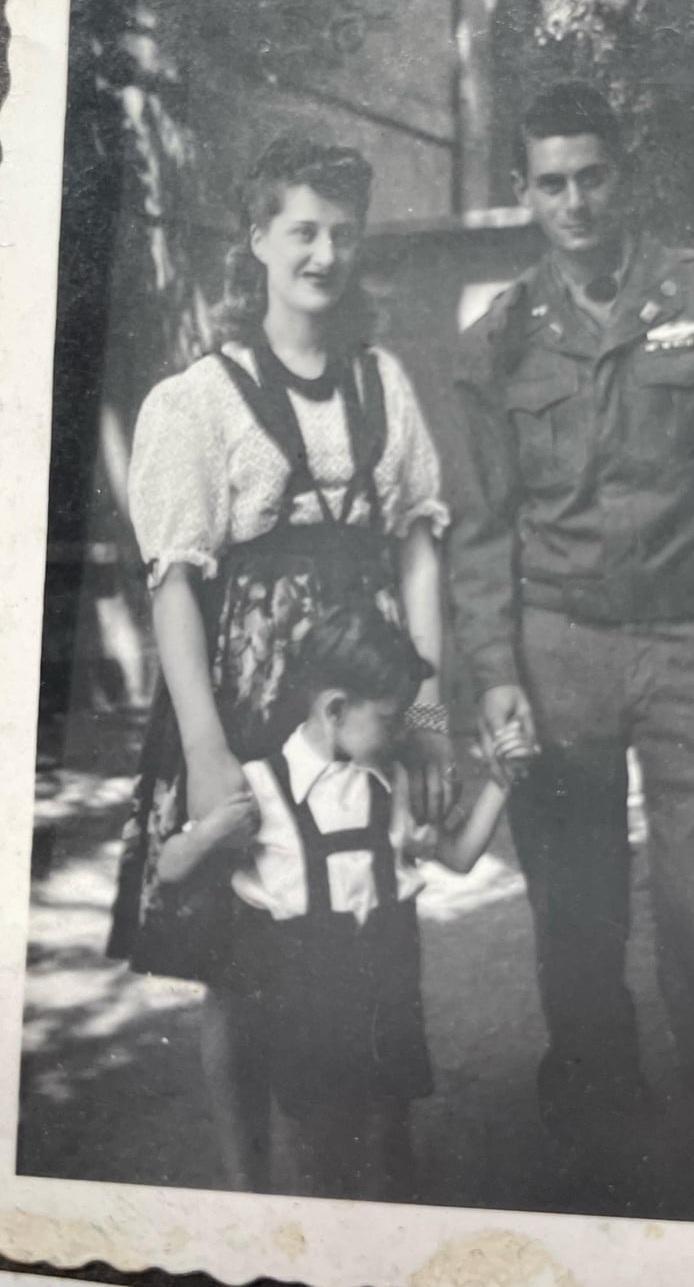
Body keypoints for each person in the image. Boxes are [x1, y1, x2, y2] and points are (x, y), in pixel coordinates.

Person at [448, 82, 694, 1205]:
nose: (574, 202)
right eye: (551, 184)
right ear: (524, 193)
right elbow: (482, 529)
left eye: (592, 177)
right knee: (575, 923)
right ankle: (602, 1155)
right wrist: (496, 672)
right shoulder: (498, 340)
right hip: (557, 647)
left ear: (627, 175)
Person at [107, 135, 456, 1192]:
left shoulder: (382, 383)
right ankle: (248, 1189)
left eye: (343, 233)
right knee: (240, 956)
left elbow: (419, 546)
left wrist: (426, 708)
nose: (324, 254)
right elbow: (174, 583)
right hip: (244, 701)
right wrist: (206, 751)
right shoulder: (199, 399)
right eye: (303, 230)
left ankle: (378, 1166)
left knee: (364, 918)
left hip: (362, 696)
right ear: (258, 239)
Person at [154, 606, 527, 1200]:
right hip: (308, 1005)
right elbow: (170, 867)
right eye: (391, 720)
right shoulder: (263, 787)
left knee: (388, 1135)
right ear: (333, 710)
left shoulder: (389, 782)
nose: (401, 732)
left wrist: (500, 784)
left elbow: (457, 857)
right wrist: (209, 833)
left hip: (387, 996)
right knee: (318, 1146)